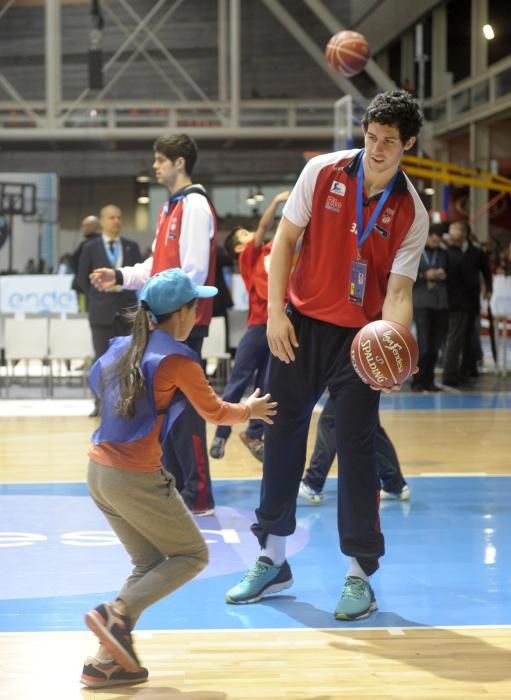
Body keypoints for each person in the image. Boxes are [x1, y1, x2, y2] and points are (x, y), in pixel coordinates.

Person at [224, 90, 428, 621]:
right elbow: (286, 241)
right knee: (281, 429)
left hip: (360, 341)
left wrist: (393, 349)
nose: (377, 149)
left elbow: (399, 292)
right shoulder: (323, 171)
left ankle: (361, 574)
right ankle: (271, 558)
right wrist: (273, 313)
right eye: (371, 137)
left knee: (357, 450)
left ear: (408, 143)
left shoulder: (412, 211)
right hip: (301, 325)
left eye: (389, 141)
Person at [81, 268, 277, 689]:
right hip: (133, 476)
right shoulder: (175, 358)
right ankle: (112, 615)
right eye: (197, 306)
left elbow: (97, 383)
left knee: (150, 563)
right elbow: (215, 412)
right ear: (183, 314)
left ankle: (105, 663)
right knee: (191, 555)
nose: (200, 313)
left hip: (97, 472)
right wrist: (251, 411)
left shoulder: (122, 347)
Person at [89, 133, 217, 516]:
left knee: (187, 405)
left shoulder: (194, 205)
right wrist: (121, 276)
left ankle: (200, 494)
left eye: (161, 159)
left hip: (181, 320)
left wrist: (165, 311)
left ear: (180, 162)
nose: (156, 166)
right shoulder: (170, 208)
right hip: (162, 320)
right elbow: (157, 265)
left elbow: (189, 272)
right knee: (166, 405)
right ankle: (178, 486)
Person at [209, 191, 290, 462]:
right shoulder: (248, 257)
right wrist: (277, 202)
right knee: (238, 380)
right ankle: (221, 434)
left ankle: (254, 433)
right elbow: (265, 226)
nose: (252, 235)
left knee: (267, 384)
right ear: (238, 248)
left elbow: (285, 231)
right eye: (245, 235)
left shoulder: (273, 250)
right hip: (258, 326)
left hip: (278, 326)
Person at [77, 205, 142, 416]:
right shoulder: (90, 247)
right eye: (111, 217)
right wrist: (98, 295)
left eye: (119, 217)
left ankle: (125, 403)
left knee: (127, 360)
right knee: (101, 359)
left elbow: (139, 276)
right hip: (101, 312)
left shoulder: (131, 247)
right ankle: (101, 403)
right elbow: (81, 279)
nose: (116, 221)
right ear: (102, 221)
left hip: (126, 311)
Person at [298, 396, 410, 504]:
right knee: (369, 426)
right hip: (364, 379)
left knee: (332, 422)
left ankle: (313, 482)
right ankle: (394, 483)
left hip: (354, 378)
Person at [442, 220, 493, 387]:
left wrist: (489, 289)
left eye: (455, 228)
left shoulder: (476, 252)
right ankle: (449, 374)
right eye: (450, 229)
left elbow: (486, 271)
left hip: (472, 301)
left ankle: (465, 371)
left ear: (464, 232)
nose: (451, 232)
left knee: (470, 339)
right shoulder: (447, 252)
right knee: (454, 339)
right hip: (454, 302)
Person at [410, 225, 449, 392]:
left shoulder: (443, 254)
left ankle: (430, 380)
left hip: (440, 304)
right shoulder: (416, 252)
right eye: (432, 236)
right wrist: (424, 275)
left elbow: (450, 273)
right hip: (421, 303)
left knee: (435, 345)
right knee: (423, 344)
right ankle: (418, 380)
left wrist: (443, 274)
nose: (435, 239)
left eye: (438, 236)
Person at [71, 215, 101, 311]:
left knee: (84, 314)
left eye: (85, 225)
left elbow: (75, 262)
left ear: (93, 227)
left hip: (84, 286)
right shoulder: (100, 243)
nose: (82, 228)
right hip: (97, 285)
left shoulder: (87, 245)